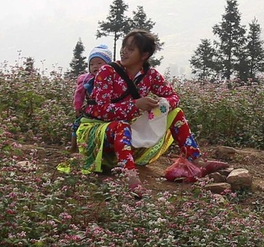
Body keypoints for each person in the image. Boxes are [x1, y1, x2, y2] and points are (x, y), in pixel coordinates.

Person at [68, 29, 224, 177]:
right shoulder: (107, 72)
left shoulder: (151, 75)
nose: (123, 52)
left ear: (144, 55)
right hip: (100, 132)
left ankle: (196, 160)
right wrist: (135, 105)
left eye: (130, 49)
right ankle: (130, 177)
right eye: (124, 47)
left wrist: (160, 105)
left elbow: (174, 97)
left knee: (176, 113)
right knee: (121, 125)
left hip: (130, 132)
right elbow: (102, 110)